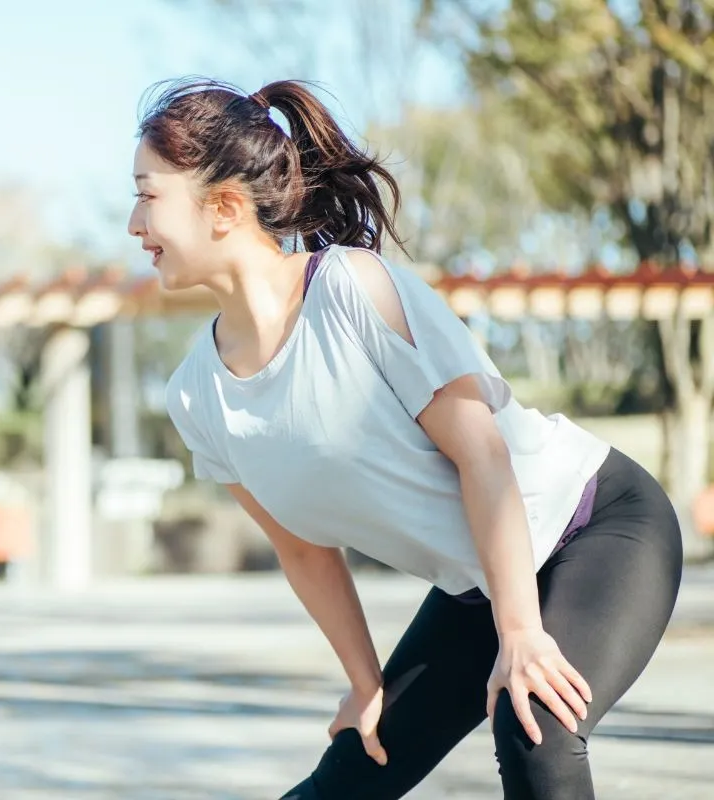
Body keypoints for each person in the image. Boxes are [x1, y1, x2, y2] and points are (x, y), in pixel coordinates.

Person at [126, 77, 683, 800]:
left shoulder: (352, 290)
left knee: (533, 721)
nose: (135, 223)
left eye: (147, 194)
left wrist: (520, 632)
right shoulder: (197, 395)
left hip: (597, 525)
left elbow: (481, 453)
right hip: (478, 588)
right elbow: (301, 549)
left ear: (225, 207)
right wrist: (366, 684)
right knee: (348, 778)